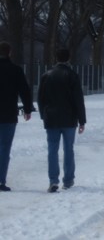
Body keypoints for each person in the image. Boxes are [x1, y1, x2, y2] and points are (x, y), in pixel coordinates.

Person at [37, 48, 86, 193]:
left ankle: (53, 180)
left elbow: (40, 98)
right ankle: (68, 180)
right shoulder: (72, 75)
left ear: (56, 58)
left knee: (52, 149)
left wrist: (43, 114)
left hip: (51, 117)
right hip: (69, 118)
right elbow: (78, 99)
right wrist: (82, 120)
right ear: (68, 58)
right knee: (68, 148)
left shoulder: (46, 75)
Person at [0, 41, 34, 193]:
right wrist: (27, 108)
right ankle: (1, 180)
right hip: (8, 114)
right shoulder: (15, 70)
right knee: (4, 148)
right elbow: (24, 90)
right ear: (10, 53)